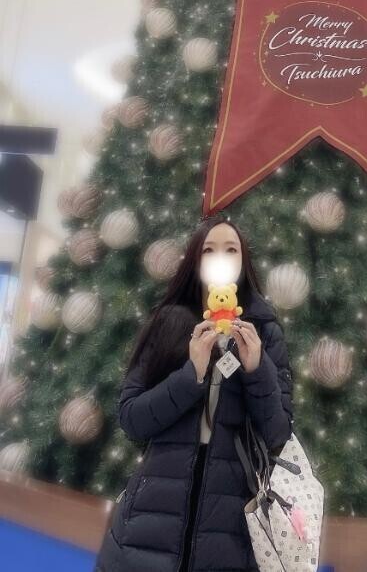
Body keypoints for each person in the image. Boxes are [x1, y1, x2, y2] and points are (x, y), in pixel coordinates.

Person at [94, 214, 294, 572]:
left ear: (243, 261)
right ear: (196, 260)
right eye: (209, 250)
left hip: (231, 522)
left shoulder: (264, 332)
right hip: (151, 515)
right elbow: (132, 418)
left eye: (231, 250)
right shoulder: (168, 322)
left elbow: (278, 433)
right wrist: (192, 375)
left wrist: (256, 369)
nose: (220, 258)